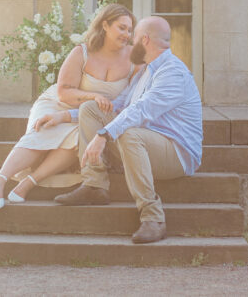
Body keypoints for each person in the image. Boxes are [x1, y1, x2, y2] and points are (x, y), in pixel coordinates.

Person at [53, 16, 202, 244]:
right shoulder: (145, 72)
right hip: (146, 142)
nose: (129, 43)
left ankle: (153, 217)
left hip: (176, 153)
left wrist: (104, 135)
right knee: (91, 109)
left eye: (134, 38)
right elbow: (120, 106)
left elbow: (142, 110)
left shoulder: (172, 72)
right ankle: (95, 185)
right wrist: (65, 115)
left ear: (145, 40)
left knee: (129, 134)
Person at [0, 3, 136, 208]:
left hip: (91, 114)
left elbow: (129, 100)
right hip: (59, 104)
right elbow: (64, 92)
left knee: (77, 137)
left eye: (129, 29)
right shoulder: (82, 52)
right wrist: (92, 96)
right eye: (121, 27)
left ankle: (28, 183)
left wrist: (88, 107)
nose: (127, 34)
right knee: (44, 128)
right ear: (105, 25)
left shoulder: (135, 58)